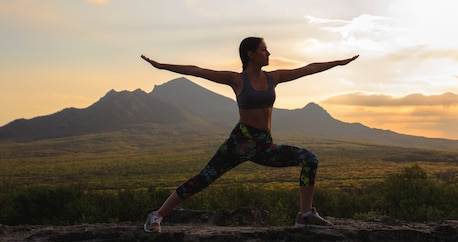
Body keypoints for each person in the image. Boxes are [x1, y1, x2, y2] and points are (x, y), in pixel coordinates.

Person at [141, 37, 358, 232]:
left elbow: (308, 69)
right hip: (240, 142)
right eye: (264, 50)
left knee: (309, 159)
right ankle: (157, 215)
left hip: (264, 145)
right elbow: (197, 70)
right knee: (204, 178)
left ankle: (305, 215)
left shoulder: (274, 77)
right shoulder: (237, 80)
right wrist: (161, 66)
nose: (269, 53)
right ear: (250, 54)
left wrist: (337, 63)